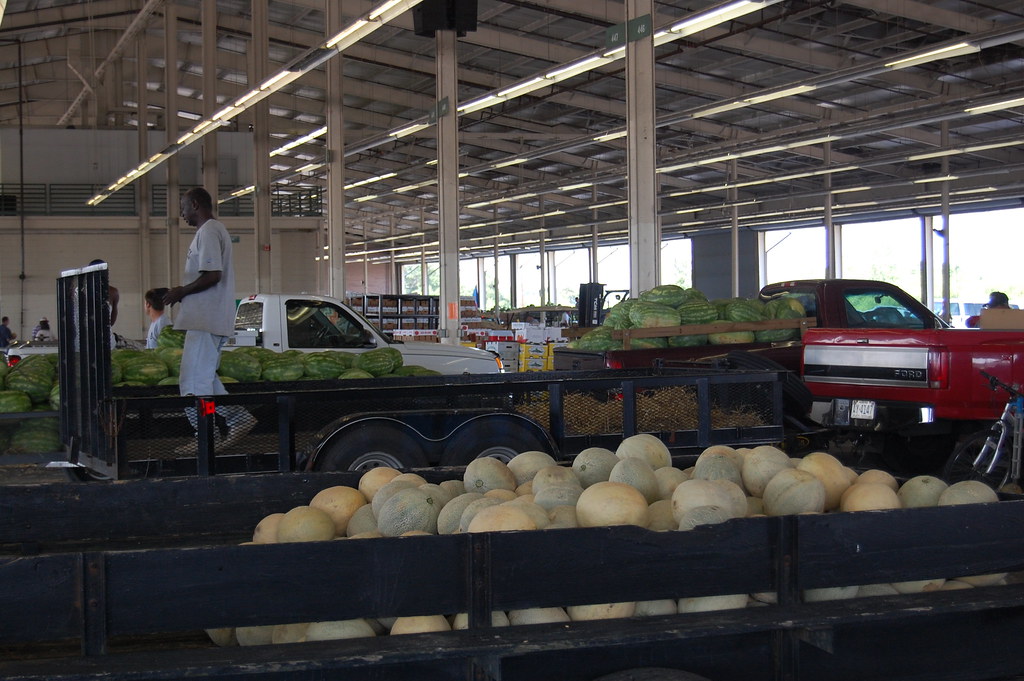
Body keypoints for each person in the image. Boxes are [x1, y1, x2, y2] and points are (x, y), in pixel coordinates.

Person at [164, 187, 254, 453]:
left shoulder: (209, 231)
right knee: (206, 380)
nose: (181, 214)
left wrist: (182, 291)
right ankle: (236, 418)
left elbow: (213, 274)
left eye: (183, 207)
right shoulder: (208, 232)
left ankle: (206, 434)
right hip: (206, 318)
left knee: (194, 383)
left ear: (194, 204)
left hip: (207, 320)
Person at [87, 259, 120, 347]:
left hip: (104, 340)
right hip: (92, 340)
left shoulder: (112, 292)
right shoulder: (82, 291)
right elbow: (112, 319)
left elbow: (113, 318)